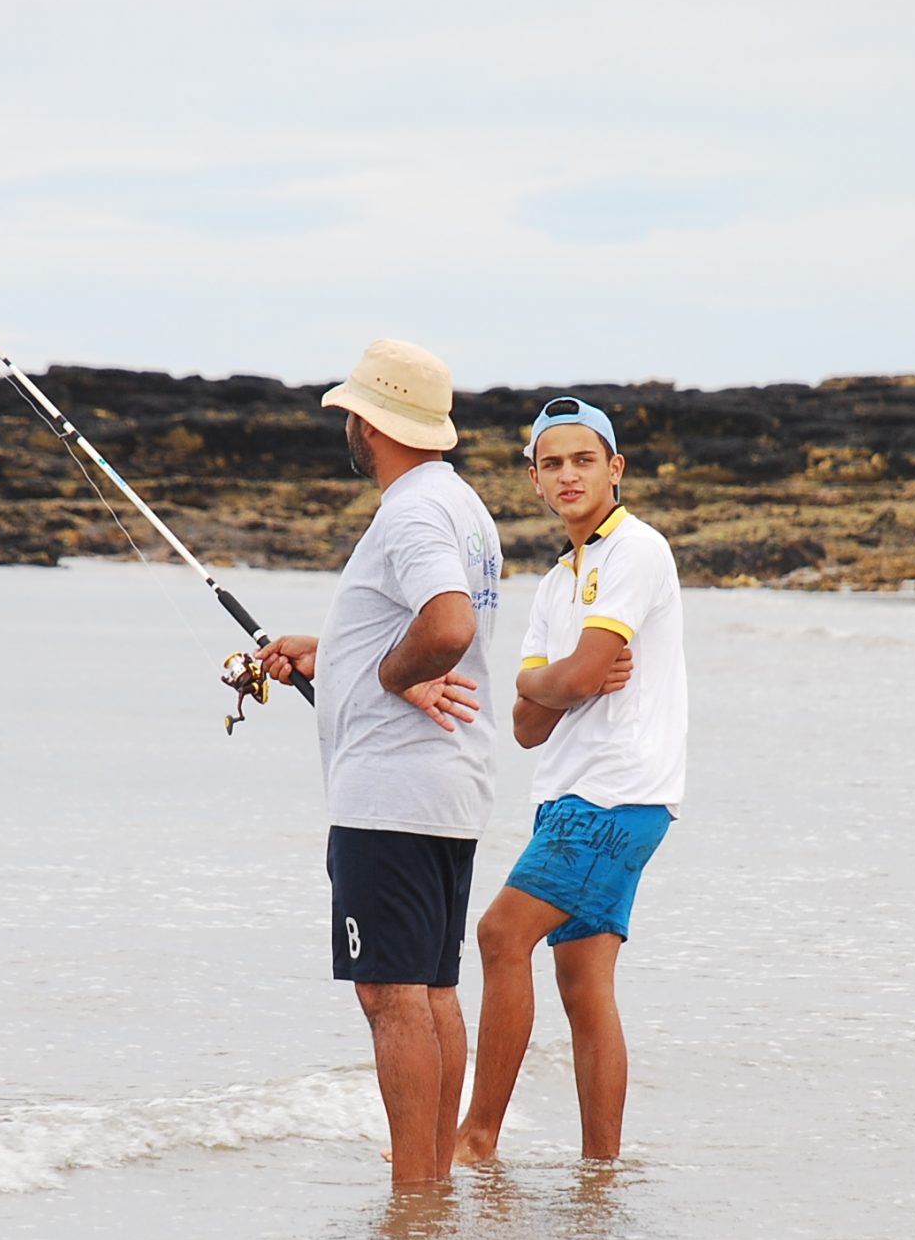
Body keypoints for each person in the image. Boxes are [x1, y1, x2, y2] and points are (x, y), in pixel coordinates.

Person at [257, 339, 504, 1189]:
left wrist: (396, 676)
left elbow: (445, 625)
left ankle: (414, 1192)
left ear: (373, 422)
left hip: (391, 795)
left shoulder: (410, 513)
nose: (349, 427)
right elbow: (416, 625)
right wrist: (335, 657)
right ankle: (430, 1181)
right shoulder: (460, 504)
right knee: (432, 991)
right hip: (443, 789)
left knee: (389, 996)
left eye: (352, 413)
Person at [454, 395, 686, 1164]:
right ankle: (602, 1172)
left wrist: (558, 680)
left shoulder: (637, 549)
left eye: (584, 459)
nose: (568, 475)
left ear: (615, 469)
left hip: (614, 793)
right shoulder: (557, 582)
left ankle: (477, 1141)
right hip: (568, 796)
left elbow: (577, 675)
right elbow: (524, 723)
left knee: (498, 936)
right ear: (532, 479)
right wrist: (563, 682)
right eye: (551, 463)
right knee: (585, 988)